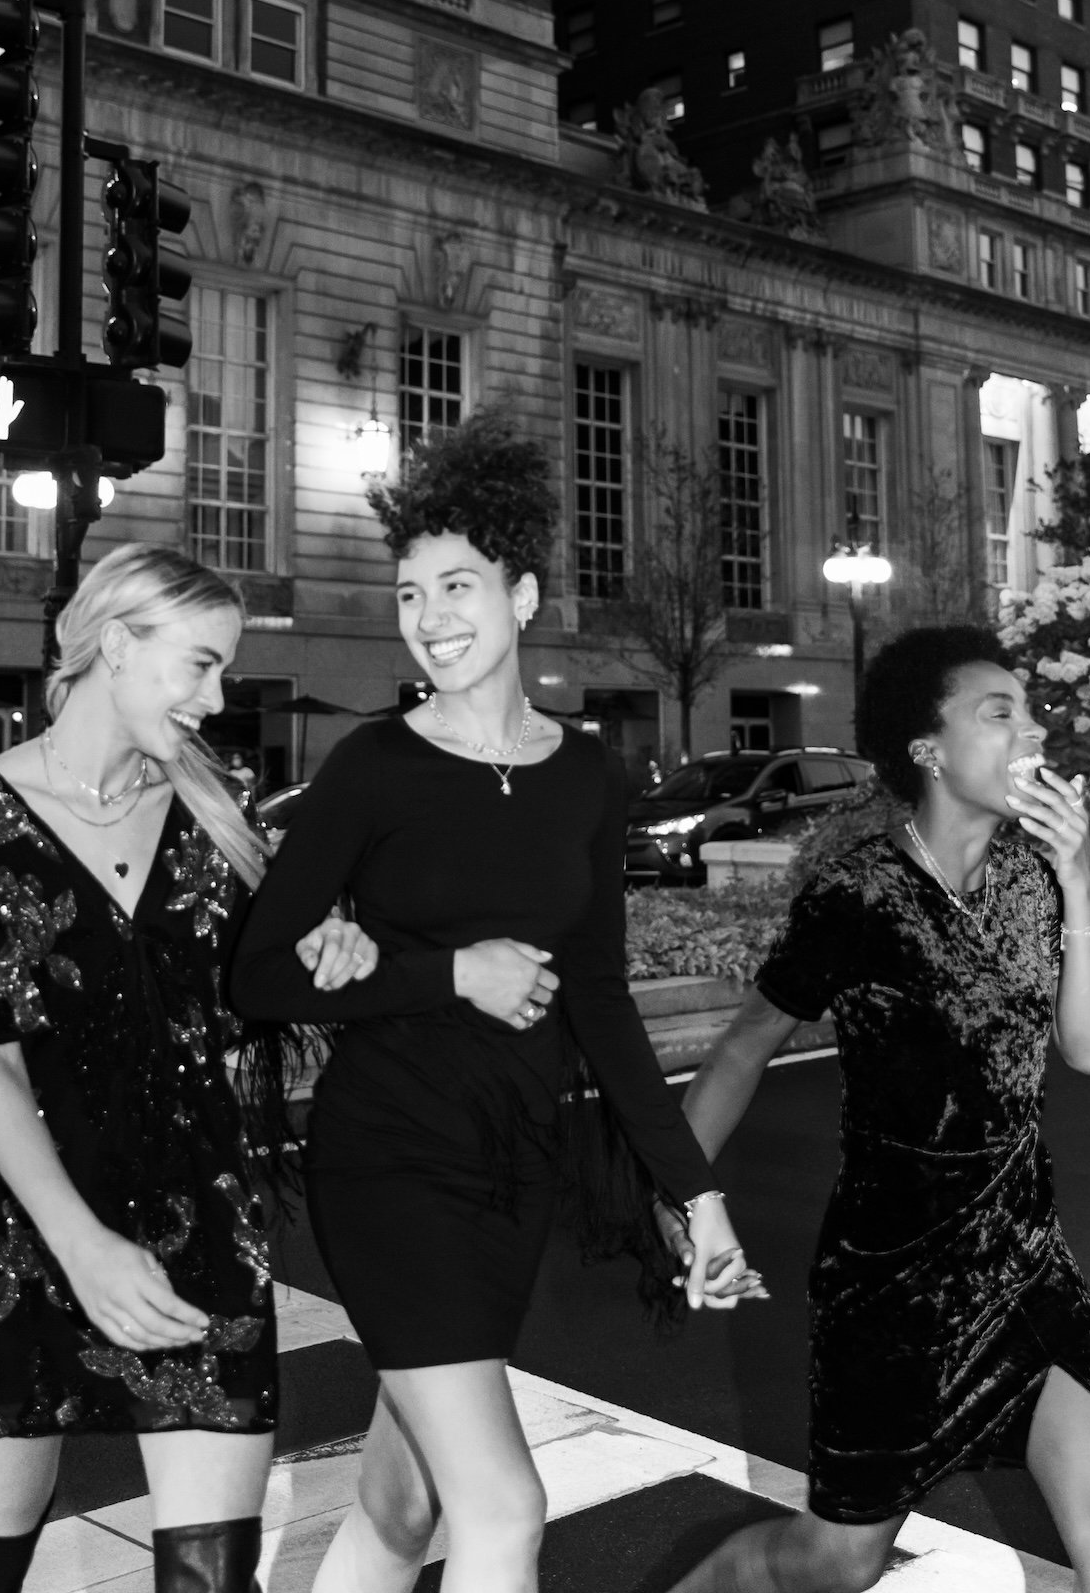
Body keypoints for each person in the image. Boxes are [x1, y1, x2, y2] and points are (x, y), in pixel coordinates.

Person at [227, 414, 762, 1593]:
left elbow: (606, 1002)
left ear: (522, 595)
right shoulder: (375, 766)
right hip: (390, 1158)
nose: (431, 615)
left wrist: (697, 1192)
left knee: (403, 1496)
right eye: (411, 591)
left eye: (458, 584)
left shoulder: (583, 770)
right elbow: (256, 973)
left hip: (512, 1162)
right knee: (504, 1503)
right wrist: (441, 971)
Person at [0, 545, 376, 1593]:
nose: (217, 696)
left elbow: (265, 976)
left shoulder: (219, 812)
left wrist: (327, 942)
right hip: (22, 1234)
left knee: (212, 1580)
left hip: (198, 1227)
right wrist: (83, 1247)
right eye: (199, 664)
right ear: (117, 643)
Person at [666, 625, 1090, 1593]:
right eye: (999, 711)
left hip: (1025, 1261)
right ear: (928, 749)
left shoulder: (1033, 875)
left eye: (1030, 709)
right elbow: (743, 1045)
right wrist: (678, 1195)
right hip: (893, 1284)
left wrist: (1081, 880)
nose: (1033, 732)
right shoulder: (859, 897)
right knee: (832, 1559)